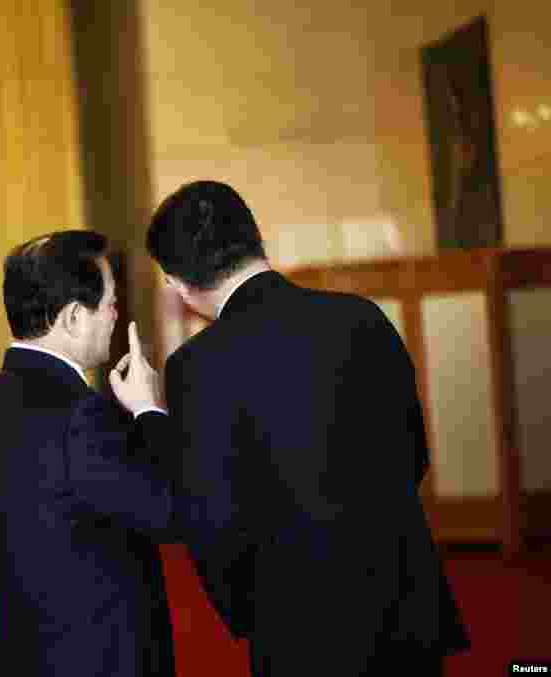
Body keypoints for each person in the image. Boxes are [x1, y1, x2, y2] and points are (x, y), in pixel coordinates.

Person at [143, 180, 470, 675]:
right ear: (256, 239)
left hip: (301, 625)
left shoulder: (197, 365)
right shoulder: (360, 318)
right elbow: (413, 454)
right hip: (407, 603)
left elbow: (212, 519)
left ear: (179, 283)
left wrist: (149, 415)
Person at [0, 230, 176, 677]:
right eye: (112, 303)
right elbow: (169, 511)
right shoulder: (81, 415)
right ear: (74, 317)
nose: (116, 316)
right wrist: (149, 409)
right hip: (104, 660)